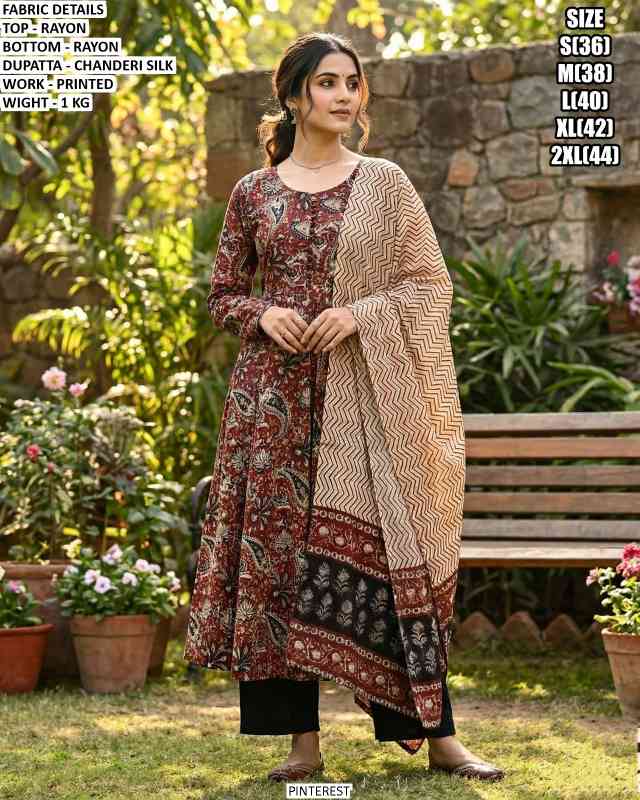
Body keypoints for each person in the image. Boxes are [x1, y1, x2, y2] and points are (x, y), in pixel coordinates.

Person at [183, 31, 505, 783]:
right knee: (276, 569)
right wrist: (262, 313)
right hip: (272, 408)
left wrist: (361, 314)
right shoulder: (254, 193)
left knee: (394, 559)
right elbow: (223, 293)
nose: (343, 95)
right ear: (293, 95)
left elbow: (429, 287)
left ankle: (437, 737)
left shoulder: (385, 184)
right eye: (327, 82)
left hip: (364, 402)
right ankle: (303, 747)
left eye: (352, 83)